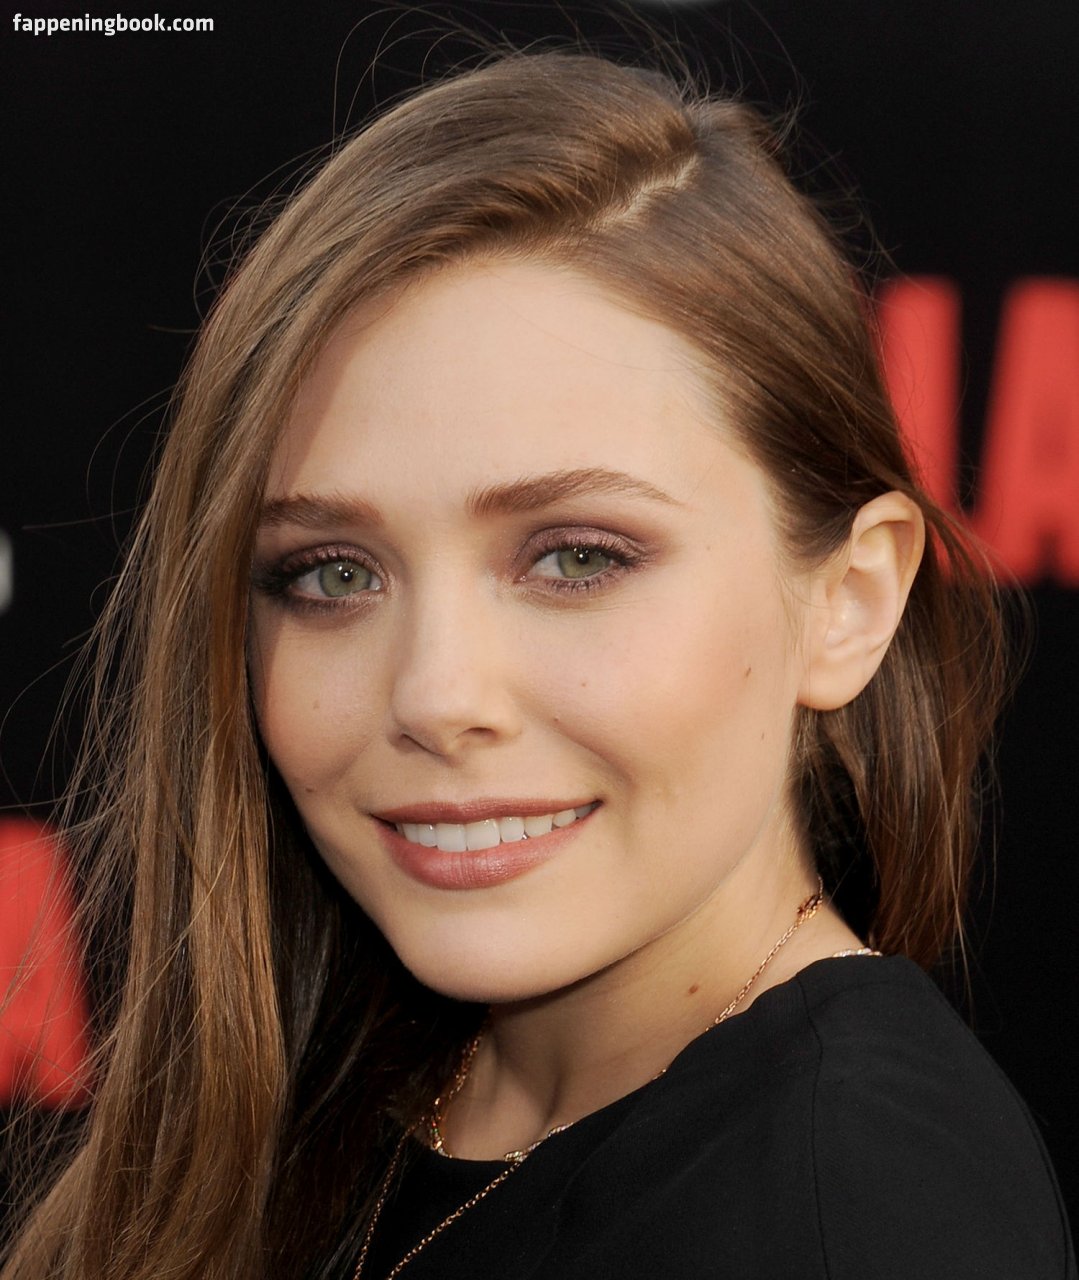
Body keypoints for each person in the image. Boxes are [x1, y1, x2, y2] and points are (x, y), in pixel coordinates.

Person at [2, 48, 1074, 1280]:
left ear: (847, 600)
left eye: (575, 558)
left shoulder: (853, 1211)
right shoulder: (356, 1083)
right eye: (332, 573)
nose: (436, 695)